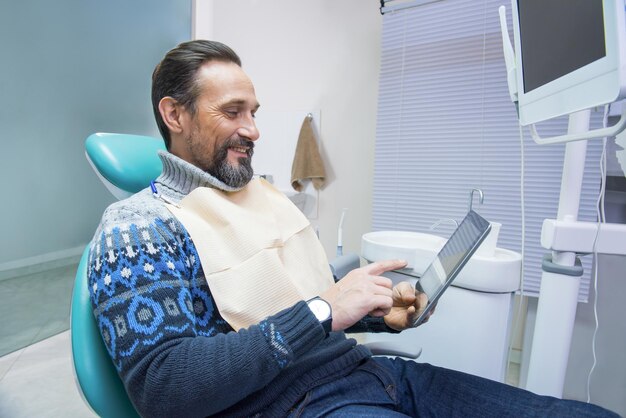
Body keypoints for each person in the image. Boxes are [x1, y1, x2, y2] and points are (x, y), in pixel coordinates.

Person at [87, 39, 617, 418]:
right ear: (174, 115)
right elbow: (165, 389)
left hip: (379, 375)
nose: (253, 129)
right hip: (297, 404)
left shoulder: (263, 198)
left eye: (253, 111)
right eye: (232, 112)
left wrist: (377, 314)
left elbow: (299, 309)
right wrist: (326, 309)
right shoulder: (137, 227)